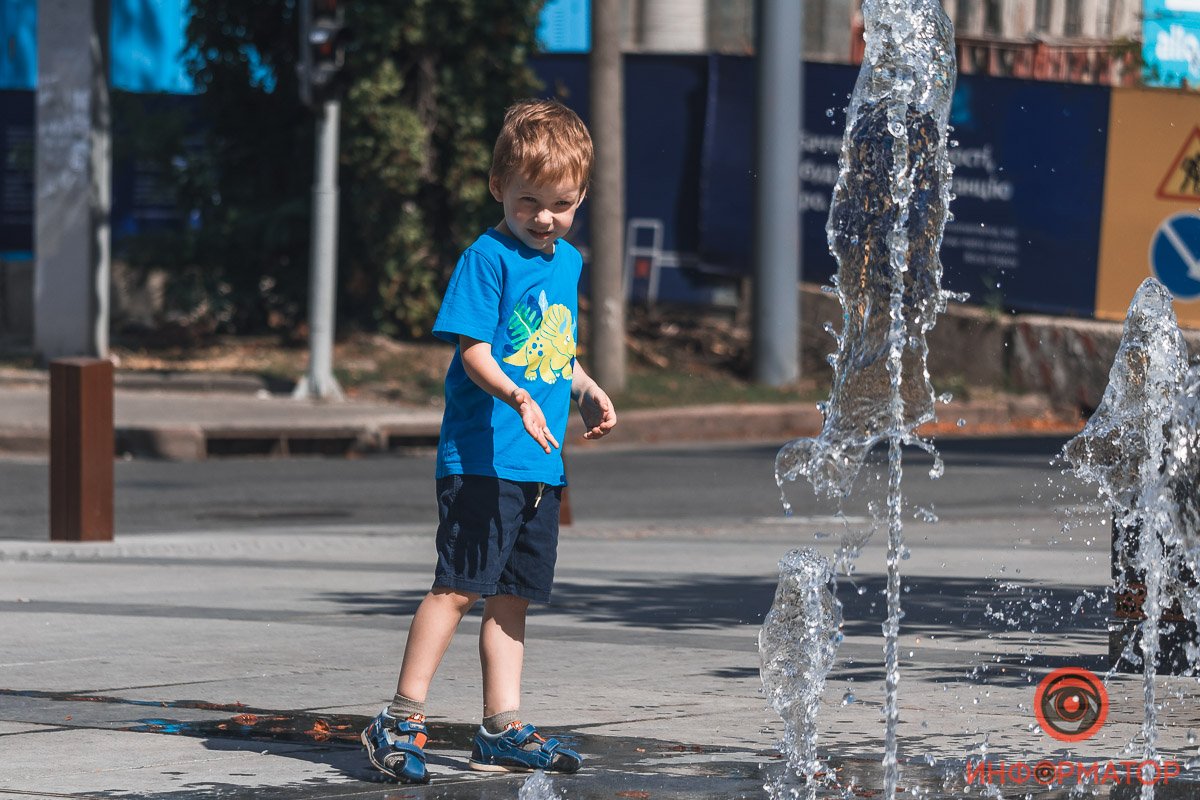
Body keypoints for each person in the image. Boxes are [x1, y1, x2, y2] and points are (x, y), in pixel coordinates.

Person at [361, 98, 617, 785]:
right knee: (457, 587)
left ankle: (500, 726)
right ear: (498, 186)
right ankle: (400, 715)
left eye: (560, 204)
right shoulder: (487, 256)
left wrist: (587, 386)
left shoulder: (565, 263)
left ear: (581, 197)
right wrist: (518, 396)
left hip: (539, 464)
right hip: (482, 458)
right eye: (528, 200)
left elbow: (552, 347)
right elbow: (476, 349)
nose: (543, 217)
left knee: (512, 597)